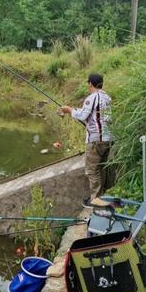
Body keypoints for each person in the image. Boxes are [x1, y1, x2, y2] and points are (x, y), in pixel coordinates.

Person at [60, 73, 114, 207]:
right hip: (107, 139)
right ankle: (102, 196)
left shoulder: (92, 98)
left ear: (90, 83)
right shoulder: (106, 98)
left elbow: (83, 115)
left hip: (95, 141)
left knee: (92, 170)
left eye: (88, 83)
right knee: (101, 168)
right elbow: (107, 119)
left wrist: (69, 110)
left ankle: (95, 200)